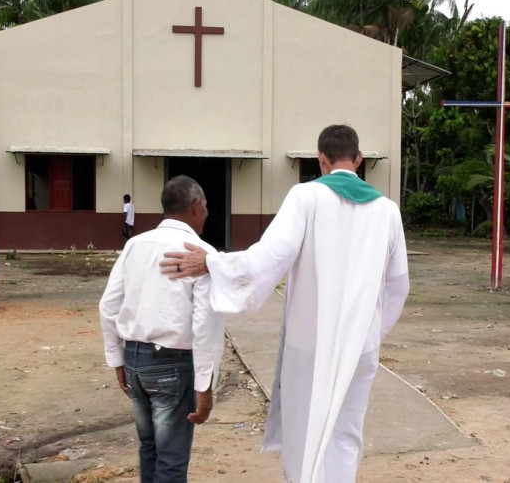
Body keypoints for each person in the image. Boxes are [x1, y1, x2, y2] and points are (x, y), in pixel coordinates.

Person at [160, 125, 410, 483]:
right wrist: (370, 332)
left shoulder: (305, 197)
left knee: (305, 428)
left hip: (309, 343)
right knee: (346, 431)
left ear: (320, 160)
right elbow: (397, 284)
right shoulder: (387, 211)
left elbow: (270, 257)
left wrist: (213, 263)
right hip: (360, 346)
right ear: (359, 159)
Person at [99, 177, 225, 483]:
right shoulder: (203, 254)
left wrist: (117, 360)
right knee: (171, 459)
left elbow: (108, 306)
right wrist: (206, 387)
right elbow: (206, 324)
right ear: (196, 206)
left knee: (150, 450)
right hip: (174, 364)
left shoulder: (134, 245)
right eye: (206, 206)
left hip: (134, 361)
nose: (207, 214)